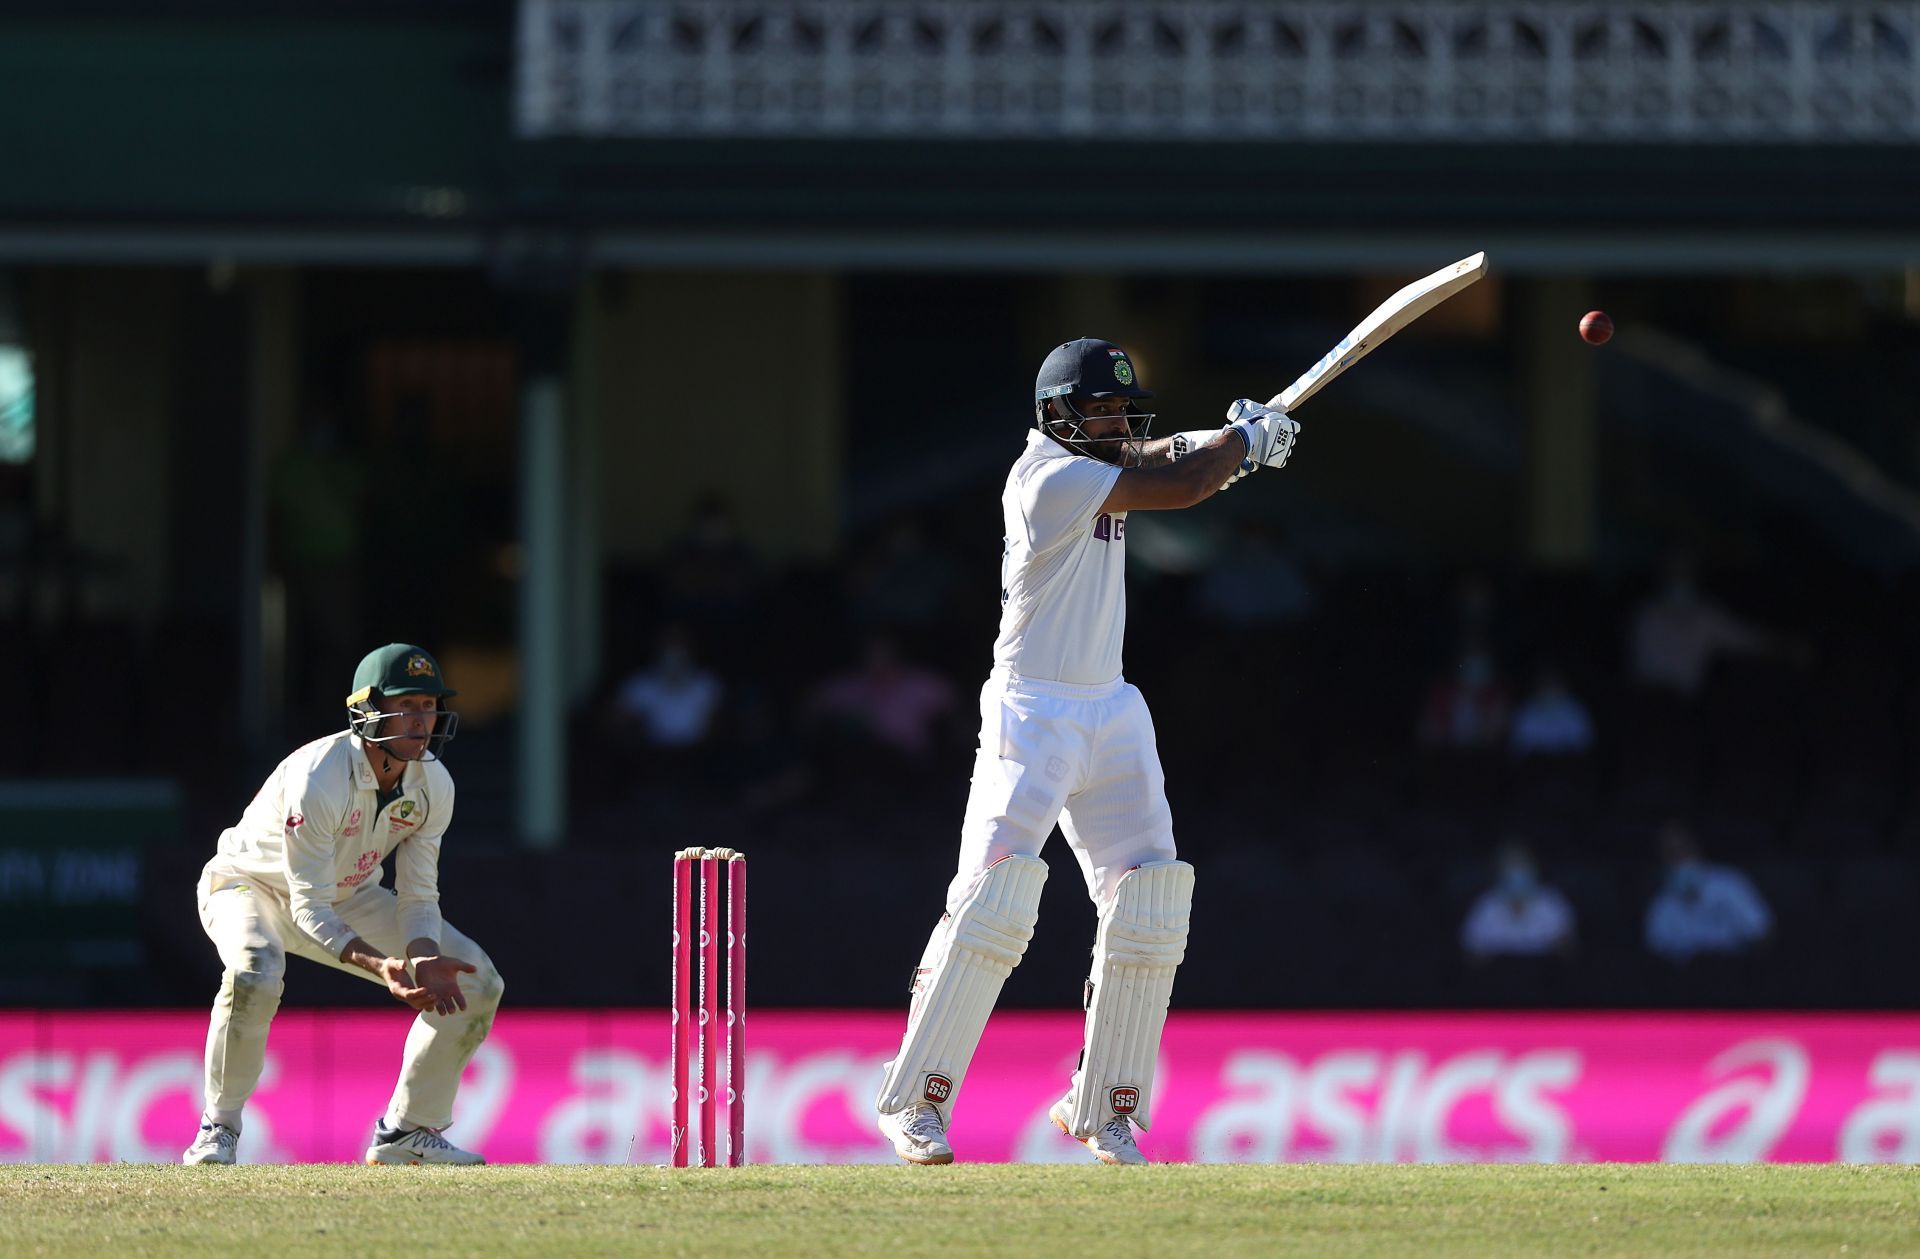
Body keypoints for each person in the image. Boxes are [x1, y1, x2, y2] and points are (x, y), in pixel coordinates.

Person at [872, 336, 1299, 1166]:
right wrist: (1241, 449)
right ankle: (913, 1097)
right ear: (1053, 417)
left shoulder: (1094, 460)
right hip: (1031, 714)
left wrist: (1230, 440)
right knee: (993, 901)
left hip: (1110, 707)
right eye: (1095, 411)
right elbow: (1175, 482)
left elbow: (1154, 456)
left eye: (1117, 410)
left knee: (1150, 902)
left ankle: (1104, 1106)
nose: (1109, 422)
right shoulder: (1045, 479)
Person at [181, 644, 504, 1166]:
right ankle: (218, 1126)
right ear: (369, 710)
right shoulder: (319, 777)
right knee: (255, 971)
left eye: (429, 705)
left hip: (348, 893)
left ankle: (407, 1131)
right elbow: (307, 907)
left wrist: (420, 957)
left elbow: (419, 896)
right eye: (409, 705)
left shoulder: (433, 784)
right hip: (248, 887)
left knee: (479, 982)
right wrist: (382, 965)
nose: (424, 721)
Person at [1644, 820, 1773, 963]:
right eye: (1670, 852)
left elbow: (1763, 932)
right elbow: (1656, 948)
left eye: (1683, 848)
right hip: (1689, 977)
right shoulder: (1662, 902)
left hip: (1737, 969)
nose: (1678, 857)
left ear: (1697, 847)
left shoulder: (1730, 883)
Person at [1460, 843, 1577, 961]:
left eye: (1521, 864)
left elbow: (1569, 949)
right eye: (1509, 865)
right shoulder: (1485, 906)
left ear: (1534, 868)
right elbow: (1470, 954)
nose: (1515, 871)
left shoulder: (1552, 902)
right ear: (1498, 871)